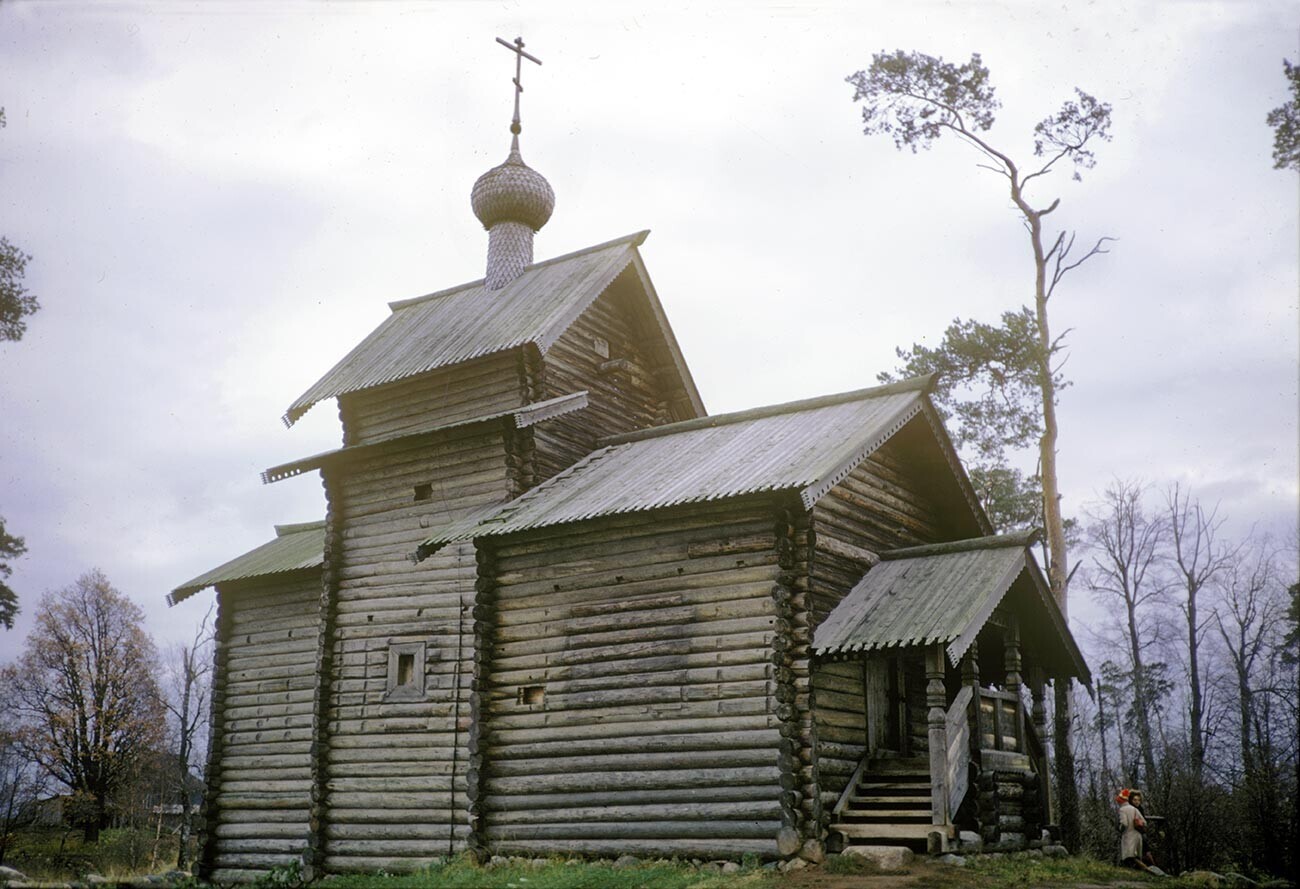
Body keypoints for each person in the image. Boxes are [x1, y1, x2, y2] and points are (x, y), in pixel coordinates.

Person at [1116, 788, 1165, 875]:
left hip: (1133, 835)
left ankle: (1152, 870)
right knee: (1139, 855)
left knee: (1133, 855)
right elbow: (1143, 822)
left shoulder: (1128, 809)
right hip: (1138, 835)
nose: (1137, 802)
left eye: (1138, 800)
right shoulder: (1135, 809)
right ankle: (1152, 870)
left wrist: (1121, 829)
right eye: (1135, 800)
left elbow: (1124, 823)